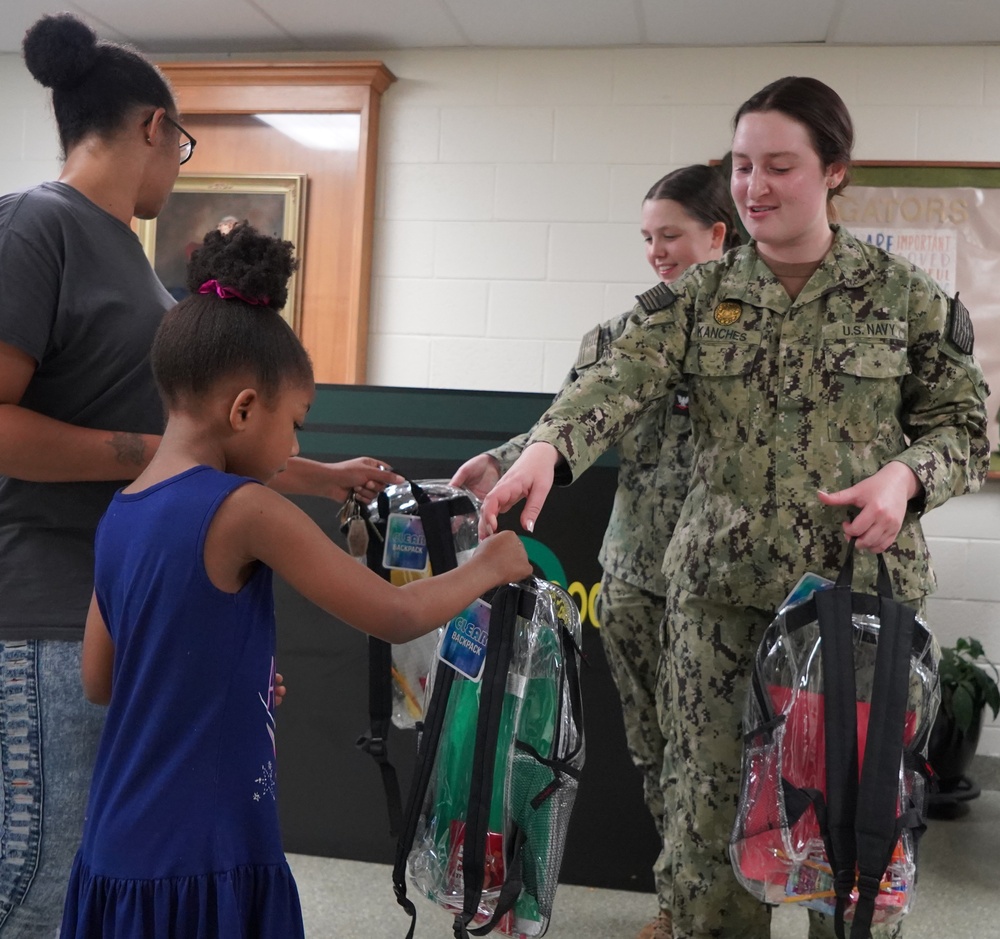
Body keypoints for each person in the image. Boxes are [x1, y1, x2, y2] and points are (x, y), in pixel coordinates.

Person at [478, 76, 990, 939]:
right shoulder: (693, 299)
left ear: (833, 171)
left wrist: (904, 478)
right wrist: (545, 448)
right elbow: (615, 377)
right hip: (714, 599)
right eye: (743, 166)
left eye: (779, 166)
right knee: (706, 822)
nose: (755, 186)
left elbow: (965, 425)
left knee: (855, 827)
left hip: (855, 598)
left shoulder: (906, 298)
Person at [0, 14, 397, 934]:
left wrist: (320, 473)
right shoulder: (37, 226)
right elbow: (142, 447)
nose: (178, 164)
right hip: (46, 607)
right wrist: (140, 456)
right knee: (38, 880)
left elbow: (208, 440)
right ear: (152, 127)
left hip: (122, 614)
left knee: (98, 883)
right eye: (180, 143)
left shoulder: (137, 270)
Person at [58, 222, 531, 938]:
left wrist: (224, 674)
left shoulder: (120, 511)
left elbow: (102, 680)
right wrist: (491, 563)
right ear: (244, 408)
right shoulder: (246, 509)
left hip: (117, 844)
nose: (297, 446)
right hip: (205, 848)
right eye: (297, 421)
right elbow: (395, 615)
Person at [450, 164, 737, 939]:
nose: (656, 252)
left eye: (670, 235)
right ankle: (680, 904)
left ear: (718, 234)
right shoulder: (622, 337)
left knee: (722, 757)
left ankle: (723, 906)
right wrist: (502, 459)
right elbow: (573, 421)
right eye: (647, 237)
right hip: (639, 572)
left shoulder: (751, 342)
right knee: (656, 748)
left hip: (726, 578)